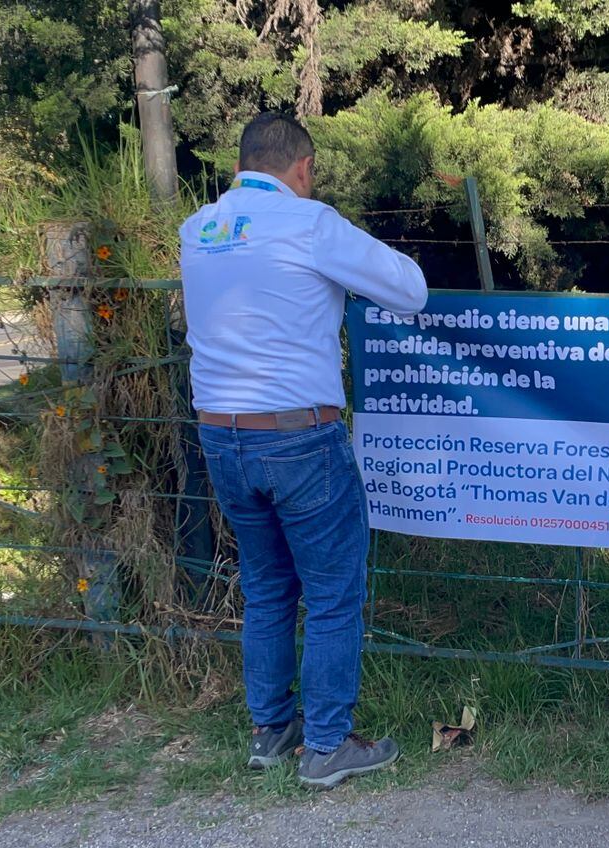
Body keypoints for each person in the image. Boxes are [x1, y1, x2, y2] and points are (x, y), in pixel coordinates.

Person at [180, 112, 428, 788]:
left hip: (221, 436)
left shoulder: (197, 231)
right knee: (332, 591)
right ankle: (326, 745)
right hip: (298, 435)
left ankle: (271, 730)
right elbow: (410, 288)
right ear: (302, 169)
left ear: (240, 165)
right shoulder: (310, 222)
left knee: (264, 584)